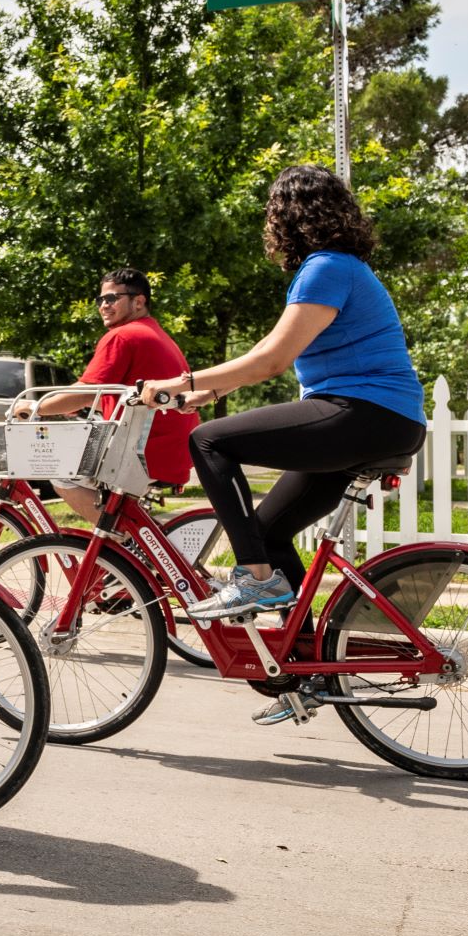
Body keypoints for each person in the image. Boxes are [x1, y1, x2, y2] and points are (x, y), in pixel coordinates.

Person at [142, 166, 425, 679]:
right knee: (269, 532)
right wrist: (208, 390)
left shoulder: (327, 268)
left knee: (208, 441)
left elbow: (270, 360)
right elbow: (269, 357)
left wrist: (180, 383)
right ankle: (307, 667)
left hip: (365, 414)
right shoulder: (335, 269)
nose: (269, 227)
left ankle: (255, 579)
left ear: (290, 216)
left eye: (272, 215)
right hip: (370, 417)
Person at [9, 266, 198, 520]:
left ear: (139, 301)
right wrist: (68, 405)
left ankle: (124, 543)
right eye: (100, 299)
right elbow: (99, 391)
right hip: (170, 451)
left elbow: (87, 392)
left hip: (144, 452)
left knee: (61, 472)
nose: (103, 306)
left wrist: (36, 408)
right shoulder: (155, 333)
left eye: (112, 298)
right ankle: (127, 543)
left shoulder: (123, 336)